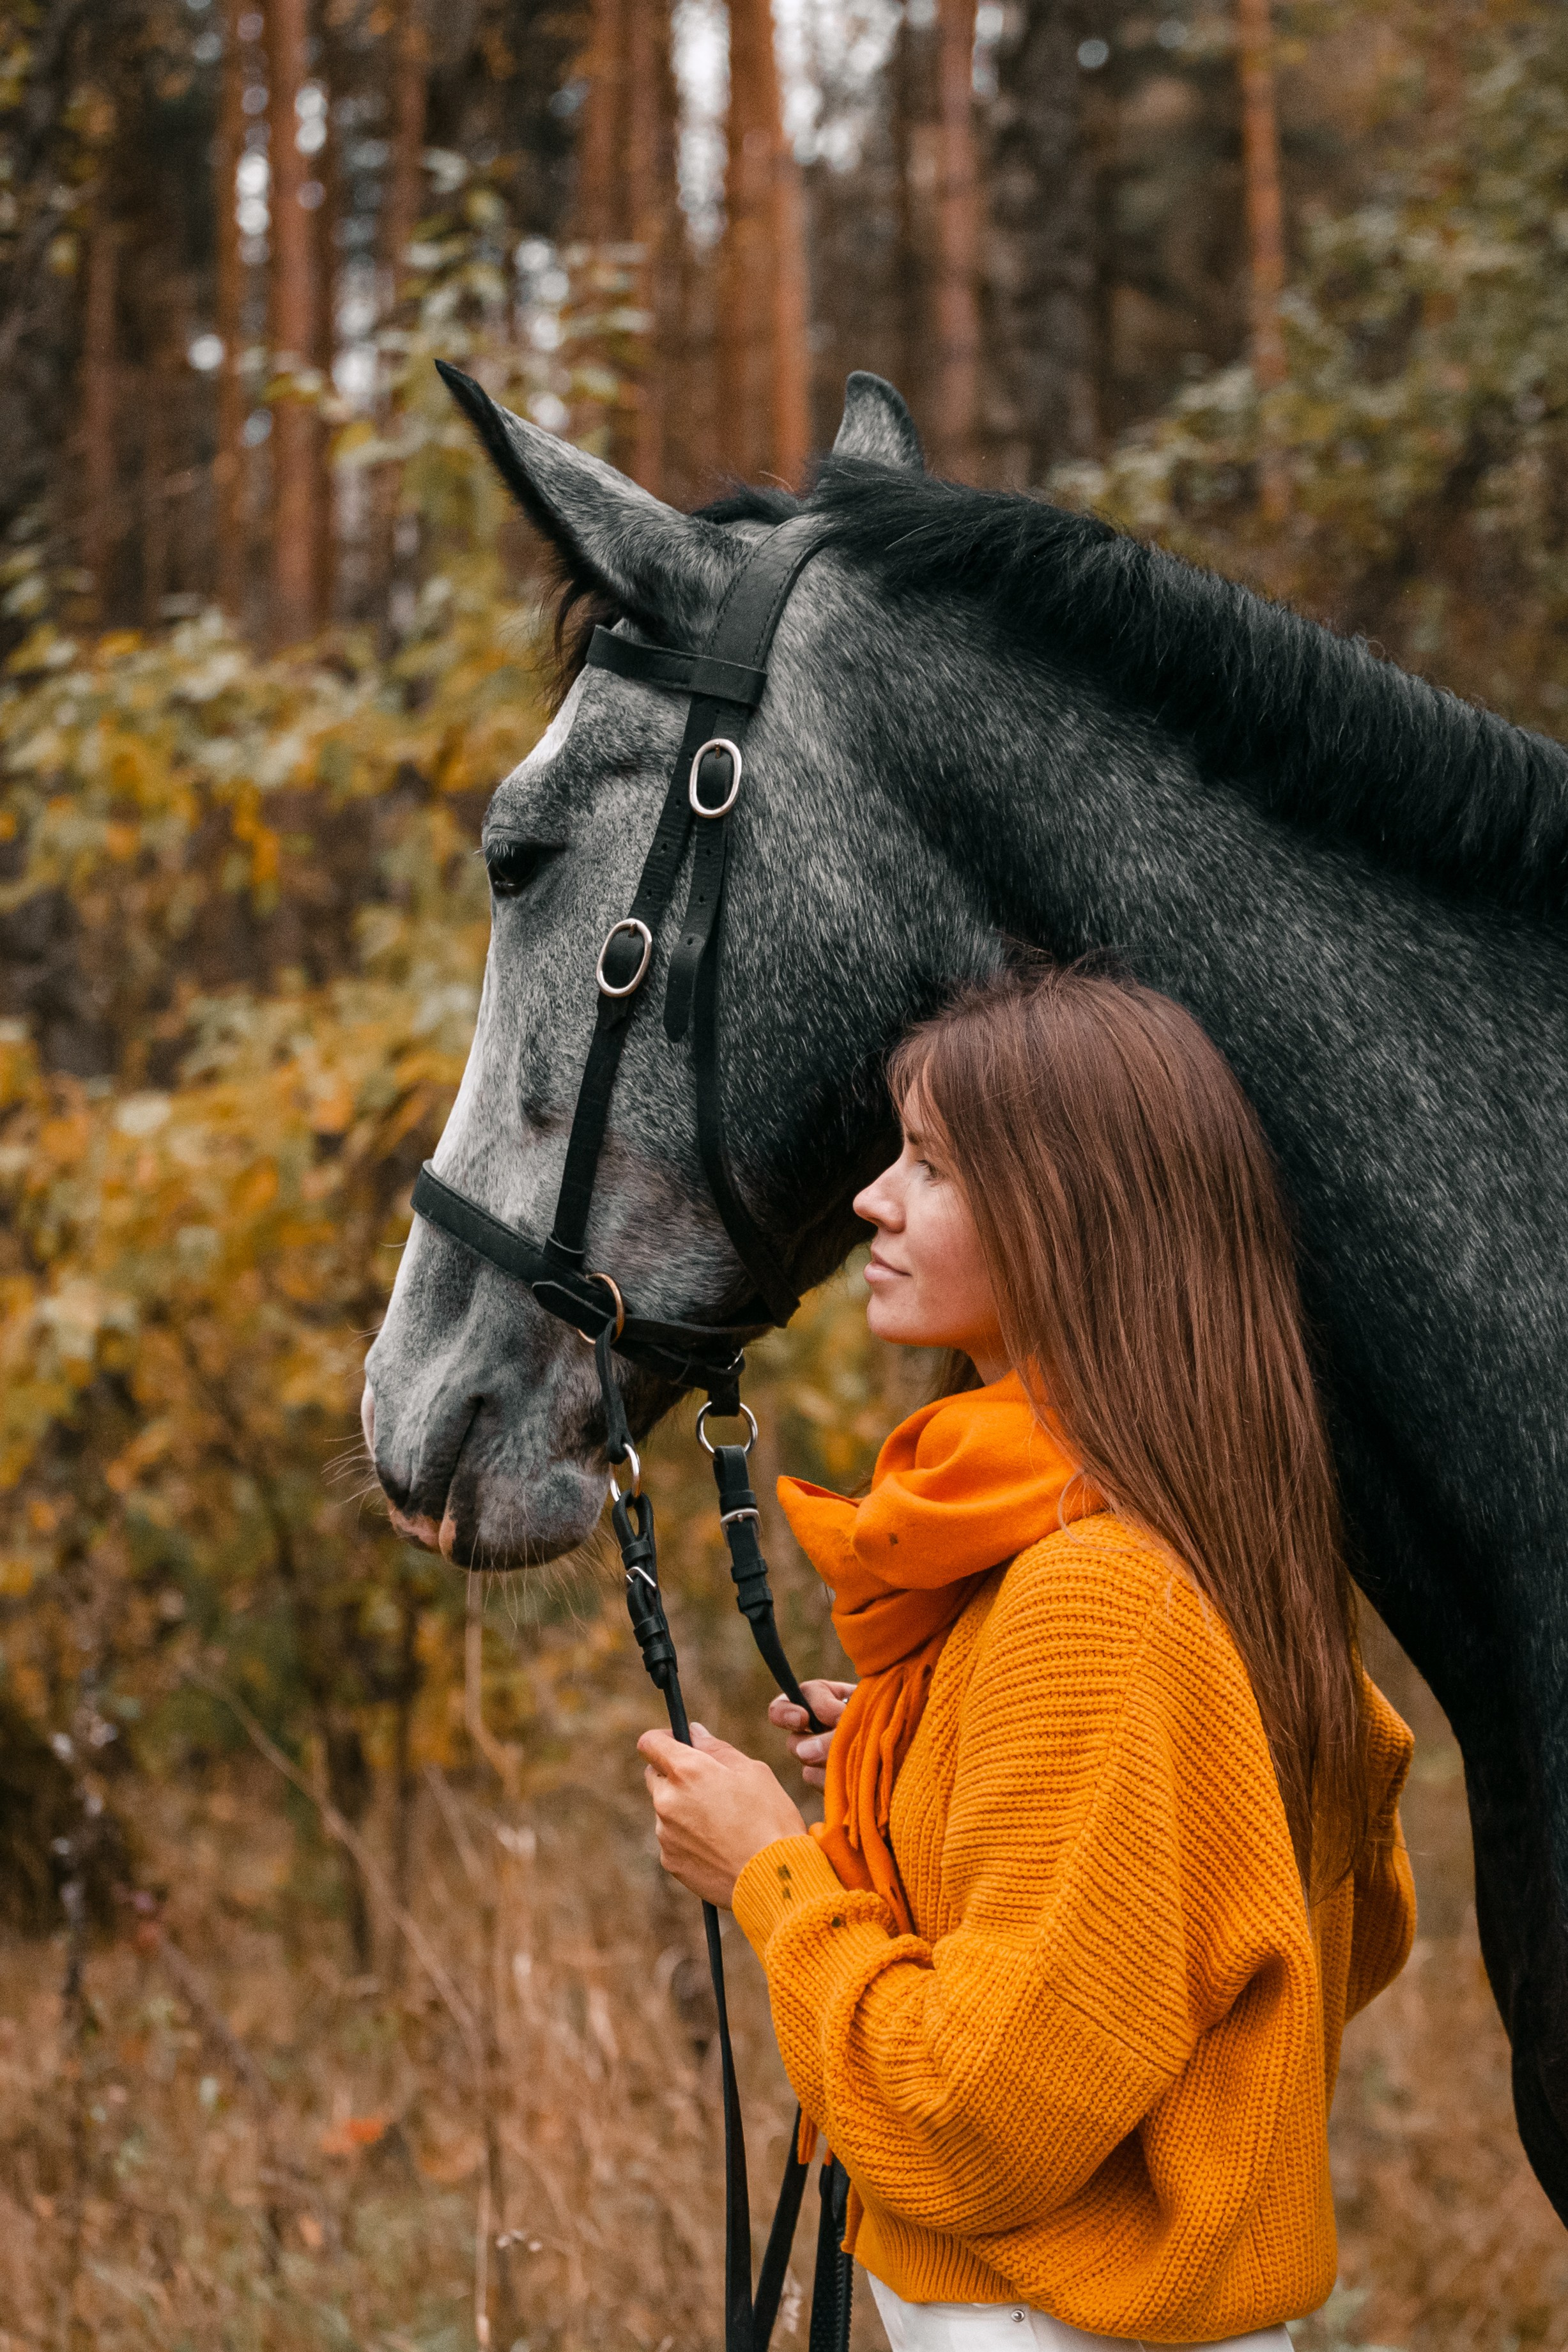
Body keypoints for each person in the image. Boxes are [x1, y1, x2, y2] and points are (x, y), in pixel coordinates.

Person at [638, 961, 1415, 2352]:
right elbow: (1249, 1933)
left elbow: (976, 2123)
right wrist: (943, 1758)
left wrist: (772, 1867)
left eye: (930, 1164)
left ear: (1076, 1217)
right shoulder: (1205, 1519)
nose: (872, 1199)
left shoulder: (1096, 1593)